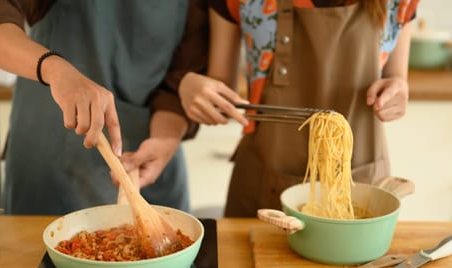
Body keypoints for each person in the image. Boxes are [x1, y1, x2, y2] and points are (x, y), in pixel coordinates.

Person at [0, 0, 209, 215]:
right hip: (54, 160)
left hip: (153, 160)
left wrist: (164, 140)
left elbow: (180, 82)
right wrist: (55, 69)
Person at [179, 0, 418, 217]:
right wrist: (192, 88)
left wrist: (398, 90)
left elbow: (397, 77)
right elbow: (221, 91)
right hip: (263, 184)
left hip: (362, 184)